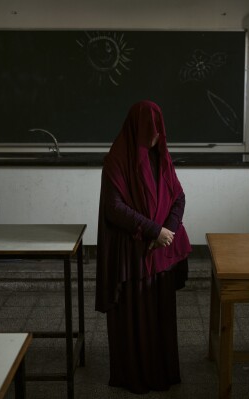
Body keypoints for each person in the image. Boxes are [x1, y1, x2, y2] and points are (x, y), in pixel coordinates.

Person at [95, 100, 192, 394]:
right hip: (133, 255)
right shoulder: (117, 158)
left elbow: (178, 197)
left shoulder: (160, 155)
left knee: (160, 316)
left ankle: (162, 372)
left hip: (160, 252)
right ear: (138, 127)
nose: (156, 135)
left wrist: (169, 232)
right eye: (151, 130)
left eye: (159, 129)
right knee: (135, 317)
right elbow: (114, 208)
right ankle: (135, 375)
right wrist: (154, 230)